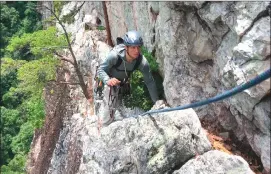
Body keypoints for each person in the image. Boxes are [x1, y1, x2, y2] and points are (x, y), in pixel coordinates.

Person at [97, 30, 158, 126]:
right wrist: (108, 80)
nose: (137, 51)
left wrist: (157, 103)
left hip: (123, 83)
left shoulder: (142, 62)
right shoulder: (114, 56)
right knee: (110, 107)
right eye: (133, 47)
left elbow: (150, 82)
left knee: (123, 106)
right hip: (110, 82)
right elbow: (100, 70)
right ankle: (104, 126)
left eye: (138, 47)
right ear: (126, 47)